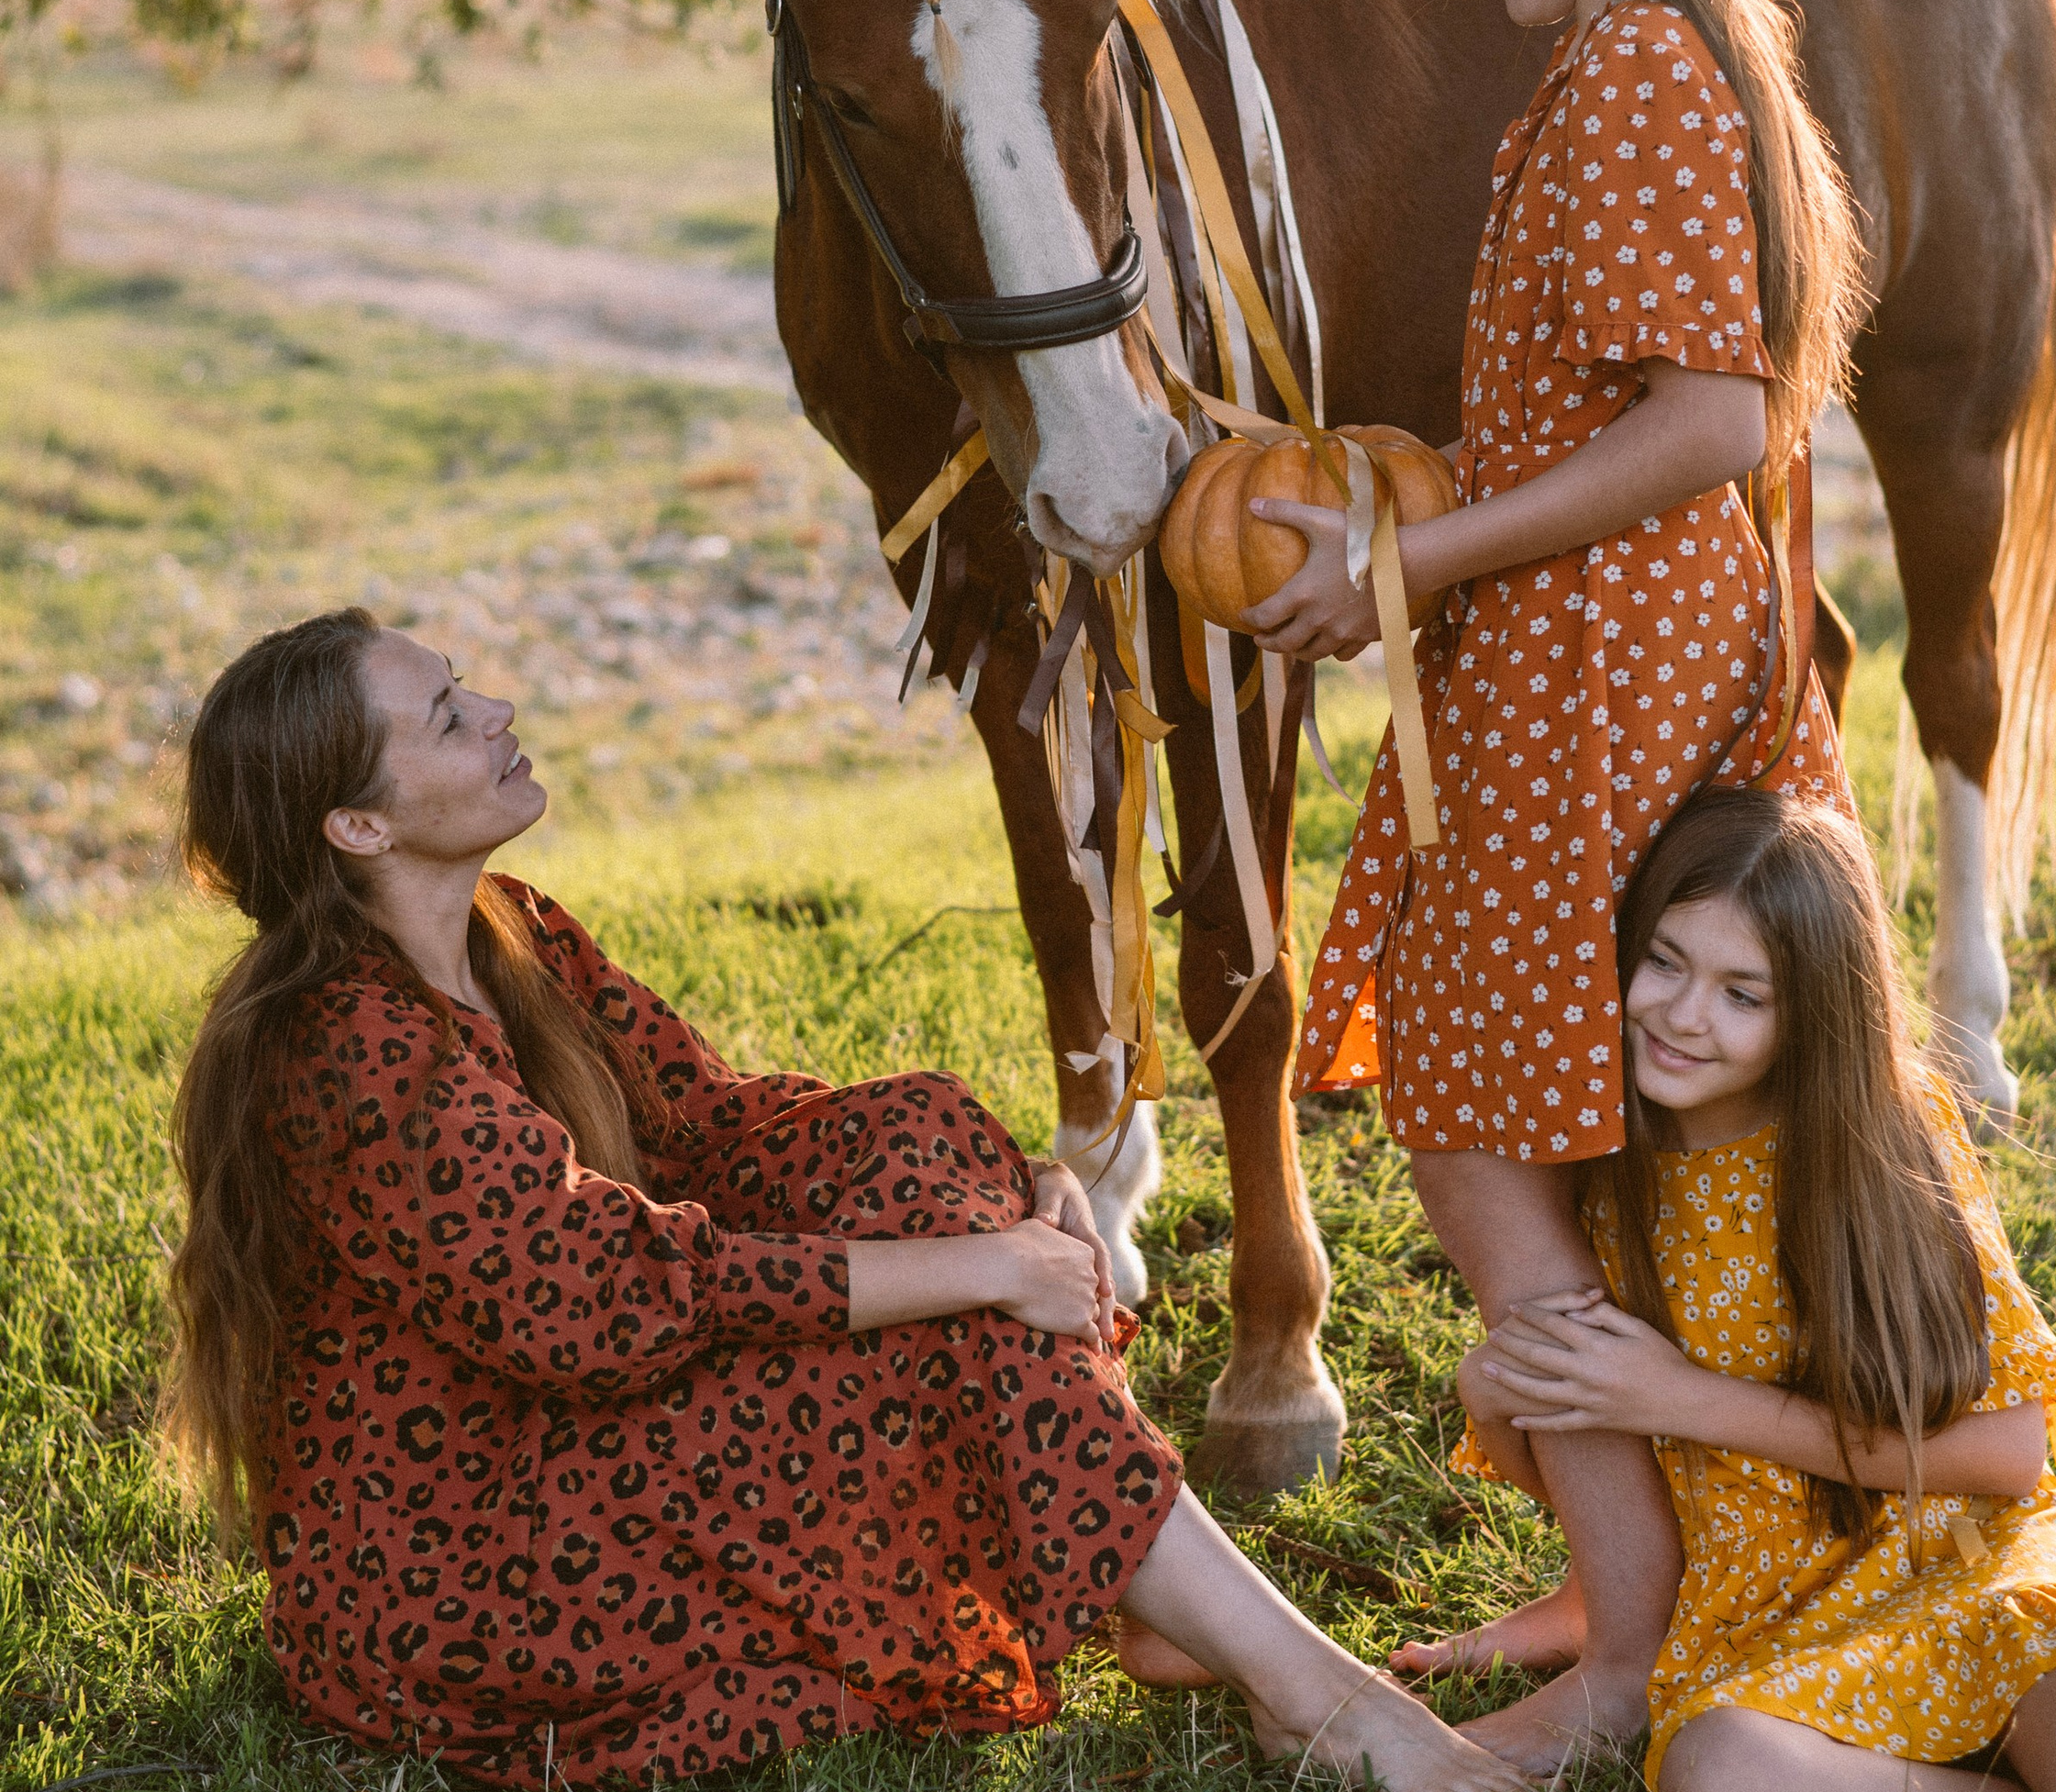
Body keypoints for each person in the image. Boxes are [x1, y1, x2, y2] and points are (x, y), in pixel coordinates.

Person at [158, 607, 1517, 1791]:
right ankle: (1319, 1699)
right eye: (450, 717)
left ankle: (1197, 1621)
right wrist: (982, 1267)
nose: (499, 712)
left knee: (915, 1146)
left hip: (569, 1437)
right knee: (946, 1328)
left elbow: (722, 1126)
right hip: (466, 1561)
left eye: (470, 687)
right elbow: (599, 1303)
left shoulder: (513, 929)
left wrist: (1005, 1180)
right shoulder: (346, 1047)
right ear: (358, 822)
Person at [1237, 0, 1867, 1763]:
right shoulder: (1664, 60)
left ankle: (1626, 1653)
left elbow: (1701, 420)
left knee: (1481, 1135)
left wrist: (1417, 557)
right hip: (1585, 643)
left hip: (1594, 670)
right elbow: (1615, 399)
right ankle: (1629, 1586)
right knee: (1545, 1133)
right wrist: (1407, 496)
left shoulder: (1634, 73)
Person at [1452, 785, 2056, 1789]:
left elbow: (2006, 1452)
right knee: (1720, 1766)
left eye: (1743, 993)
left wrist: (1685, 1397)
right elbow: (1617, 1465)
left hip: (1958, 1557)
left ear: (1814, 1012)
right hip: (1769, 1620)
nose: (1681, 1014)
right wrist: (1498, 1404)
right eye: (1663, 960)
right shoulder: (1603, 1167)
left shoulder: (1880, 1145)